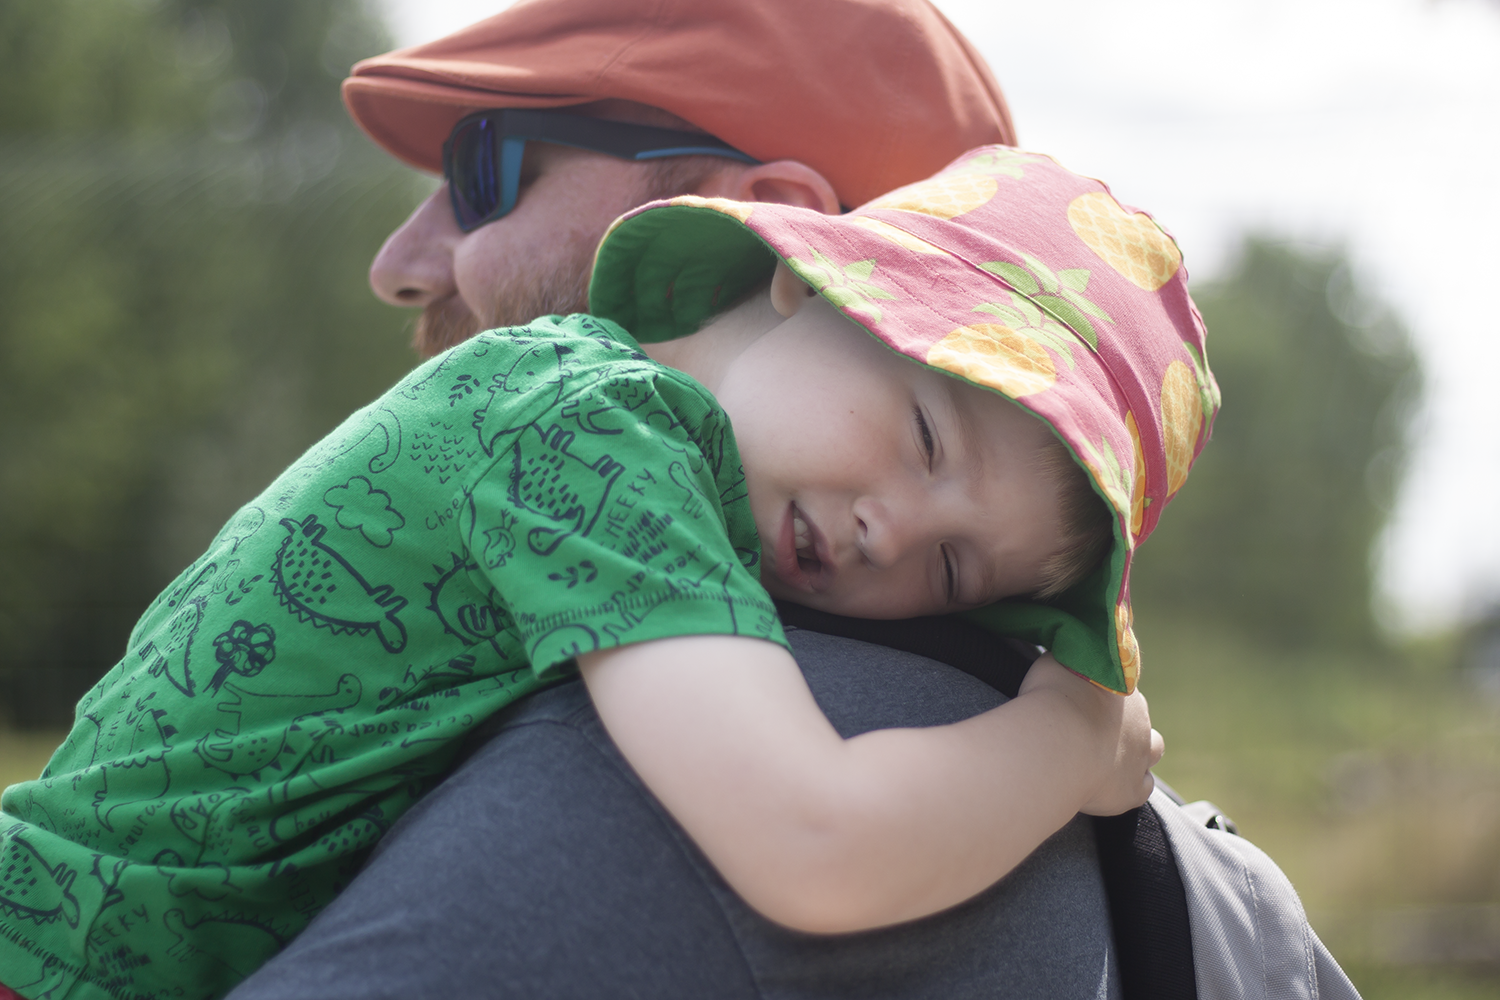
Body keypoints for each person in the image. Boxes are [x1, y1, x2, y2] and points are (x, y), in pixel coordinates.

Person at [0, 140, 1197, 1000]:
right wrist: (1073, 742)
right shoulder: (588, 432)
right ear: (809, 282)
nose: (891, 529)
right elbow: (815, 841)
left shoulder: (591, 412)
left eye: (953, 567)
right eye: (929, 437)